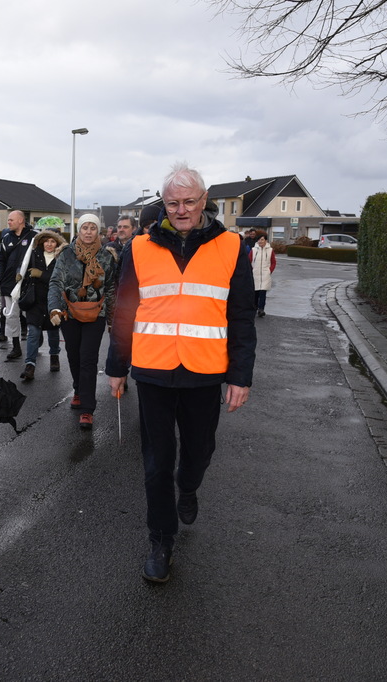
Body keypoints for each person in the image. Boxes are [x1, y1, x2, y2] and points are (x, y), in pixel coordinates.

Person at [105, 162, 256, 583]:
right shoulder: (139, 247)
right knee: (155, 463)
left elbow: (242, 316)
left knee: (198, 453)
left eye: (190, 201)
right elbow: (124, 309)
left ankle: (188, 485)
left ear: (204, 201)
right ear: (163, 204)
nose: (182, 209)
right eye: (173, 203)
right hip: (152, 371)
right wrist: (117, 367)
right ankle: (161, 540)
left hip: (204, 373)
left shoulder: (231, 247)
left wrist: (240, 376)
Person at [47, 213, 118, 430]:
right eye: (84, 227)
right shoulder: (65, 254)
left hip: (96, 314)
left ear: (99, 231)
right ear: (79, 231)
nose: (88, 232)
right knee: (74, 355)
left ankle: (87, 408)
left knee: (88, 358)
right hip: (69, 314)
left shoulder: (107, 256)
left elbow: (111, 288)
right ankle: (78, 389)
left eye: (93, 228)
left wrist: (113, 319)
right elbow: (55, 283)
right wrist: (54, 308)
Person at [19, 219, 67, 381]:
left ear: (57, 243)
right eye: (46, 241)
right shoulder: (34, 254)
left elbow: (61, 279)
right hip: (35, 301)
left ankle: (54, 356)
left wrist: (41, 274)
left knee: (53, 332)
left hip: (53, 301)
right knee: (33, 333)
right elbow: (24, 267)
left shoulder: (61, 257)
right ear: (41, 242)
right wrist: (20, 275)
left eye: (52, 241)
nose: (49, 244)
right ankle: (30, 365)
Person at [0, 210, 37, 361]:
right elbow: (0, 260)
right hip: (9, 284)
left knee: (30, 314)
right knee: (12, 316)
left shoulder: (34, 237)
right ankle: (16, 346)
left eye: (11, 219)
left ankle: (36, 339)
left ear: (20, 220)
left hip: (28, 284)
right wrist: (0, 280)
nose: (9, 222)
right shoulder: (6, 239)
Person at [249, 232, 276, 318]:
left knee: (263, 293)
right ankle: (255, 307)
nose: (260, 241)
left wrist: (269, 271)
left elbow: (273, 262)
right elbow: (248, 261)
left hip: (265, 275)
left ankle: (261, 309)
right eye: (259, 240)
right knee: (256, 293)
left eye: (262, 239)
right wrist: (251, 271)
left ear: (266, 240)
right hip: (255, 274)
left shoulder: (270, 250)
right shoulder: (253, 250)